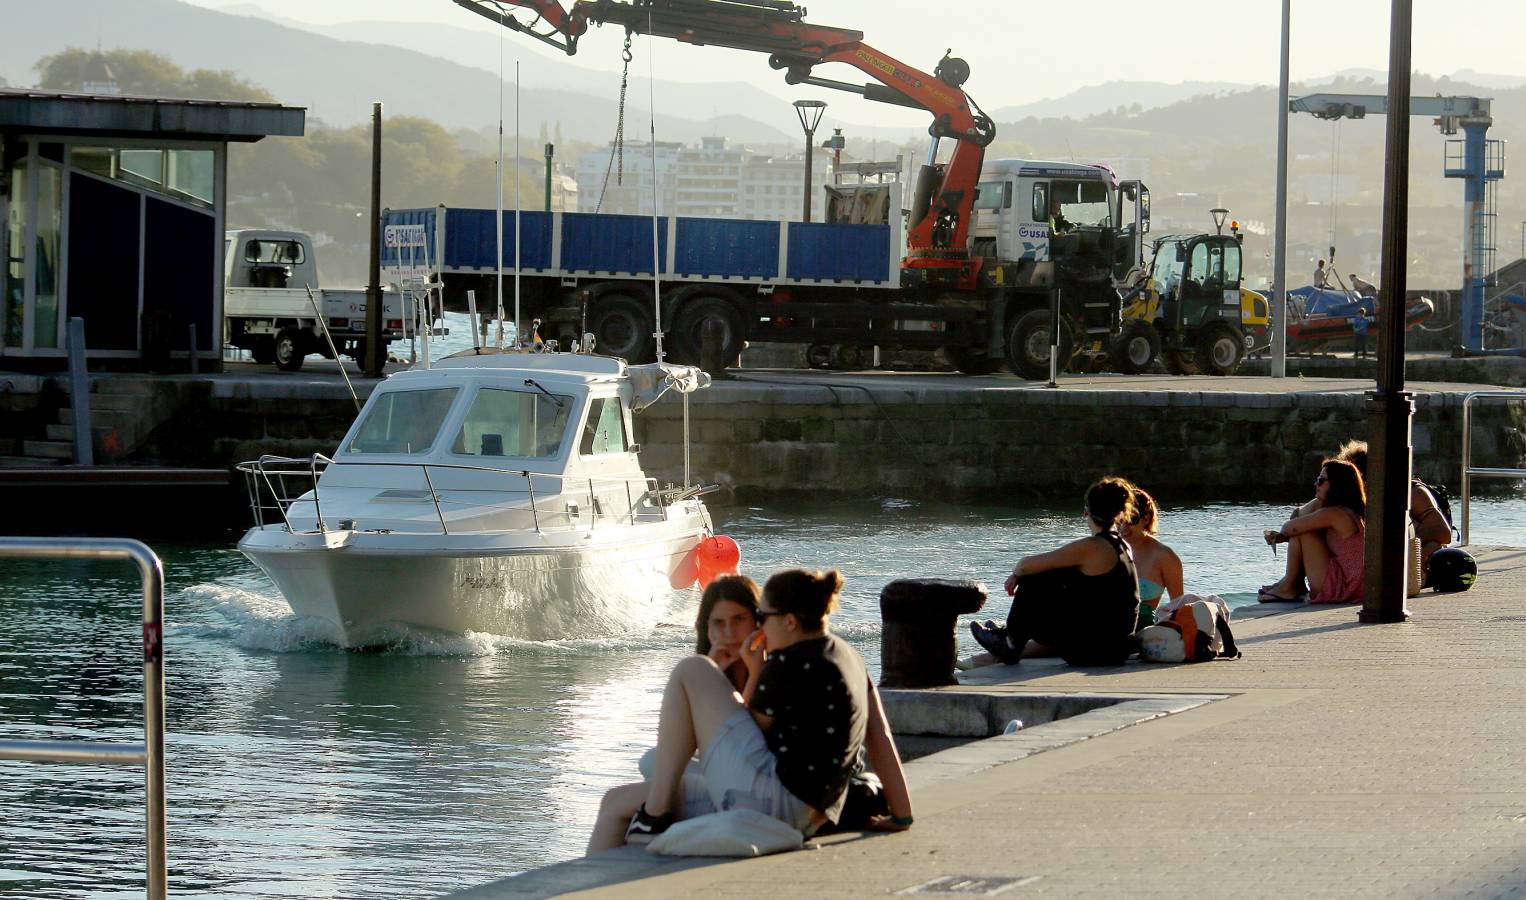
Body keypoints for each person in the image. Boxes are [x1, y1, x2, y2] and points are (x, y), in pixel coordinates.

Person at [588, 569, 913, 853]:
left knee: (691, 668)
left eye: (762, 616)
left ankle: (654, 818)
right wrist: (902, 815)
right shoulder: (851, 658)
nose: (760, 625)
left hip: (773, 805)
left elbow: (753, 735)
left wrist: (724, 676)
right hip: (811, 810)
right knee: (622, 794)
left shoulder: (787, 663)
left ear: (789, 621)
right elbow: (880, 736)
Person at [971, 477, 1141, 666]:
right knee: (1053, 574)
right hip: (1117, 648)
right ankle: (1010, 635)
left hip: (1094, 652)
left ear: (1086, 512)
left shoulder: (1094, 546)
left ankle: (1010, 643)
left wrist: (1017, 575)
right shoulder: (1122, 545)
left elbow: (1025, 565)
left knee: (1033, 577)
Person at [1294, 439, 1452, 583]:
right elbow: (1297, 516)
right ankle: (1295, 584)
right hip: (1365, 562)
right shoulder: (1345, 499)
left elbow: (1443, 533)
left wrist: (1388, 543)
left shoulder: (1413, 493)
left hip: (1404, 555)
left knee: (1434, 546)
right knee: (1306, 530)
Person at [1259, 459, 1366, 603]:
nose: (1316, 484)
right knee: (1302, 531)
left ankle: (1289, 587)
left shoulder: (1335, 513)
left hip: (1343, 588)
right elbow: (1295, 523)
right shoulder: (1350, 511)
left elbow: (1289, 527)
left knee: (1304, 531)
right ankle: (1290, 585)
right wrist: (1284, 537)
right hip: (1352, 585)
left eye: (1321, 480)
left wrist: (1318, 502)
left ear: (1336, 484)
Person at [1120, 485, 1184, 628]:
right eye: (1119, 520)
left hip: (1142, 630)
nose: (1123, 527)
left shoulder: (1164, 556)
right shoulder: (1110, 550)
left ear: (1146, 518)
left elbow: (1178, 607)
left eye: (1130, 520)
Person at [694, 575, 762, 694]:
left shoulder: (784, 669)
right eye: (719, 622)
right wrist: (711, 675)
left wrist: (757, 673)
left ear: (757, 620)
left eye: (739, 619)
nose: (729, 633)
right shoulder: (691, 673)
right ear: (707, 627)